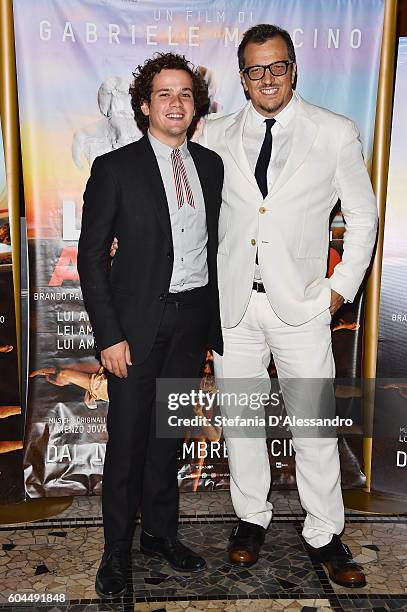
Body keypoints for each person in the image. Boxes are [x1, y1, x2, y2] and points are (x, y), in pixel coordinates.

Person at [198, 24, 378, 588]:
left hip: (301, 305)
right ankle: (251, 518)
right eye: (255, 69)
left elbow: (364, 218)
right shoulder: (214, 132)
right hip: (233, 307)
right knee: (242, 421)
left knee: (315, 425)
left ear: (294, 69)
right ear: (243, 76)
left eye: (277, 66)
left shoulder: (334, 132)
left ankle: (324, 530)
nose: (267, 78)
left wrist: (337, 290)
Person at [77, 52, 223, 599]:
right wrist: (109, 335)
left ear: (195, 105)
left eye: (185, 94)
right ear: (144, 105)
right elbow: (92, 258)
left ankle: (160, 535)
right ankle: (116, 550)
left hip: (190, 324)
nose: (176, 103)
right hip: (135, 330)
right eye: (164, 94)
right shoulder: (115, 168)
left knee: (167, 437)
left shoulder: (209, 165)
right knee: (130, 441)